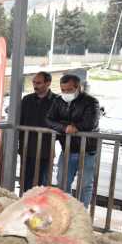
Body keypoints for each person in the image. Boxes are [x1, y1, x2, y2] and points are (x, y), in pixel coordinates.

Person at [46, 74, 100, 208]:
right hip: (67, 149)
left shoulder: (91, 102)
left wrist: (69, 125)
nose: (65, 93)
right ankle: (67, 211)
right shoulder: (58, 100)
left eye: (69, 90)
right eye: (62, 90)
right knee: (62, 182)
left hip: (88, 150)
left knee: (85, 184)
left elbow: (89, 124)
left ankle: (81, 214)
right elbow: (49, 119)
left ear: (78, 87)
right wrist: (65, 127)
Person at [19, 71, 55, 191]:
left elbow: (60, 124)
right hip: (26, 148)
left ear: (48, 83)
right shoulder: (27, 100)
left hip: (45, 149)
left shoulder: (57, 101)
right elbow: (20, 121)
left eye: (39, 83)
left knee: (41, 182)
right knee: (25, 180)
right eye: (34, 82)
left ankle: (39, 208)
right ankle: (25, 205)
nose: (35, 85)